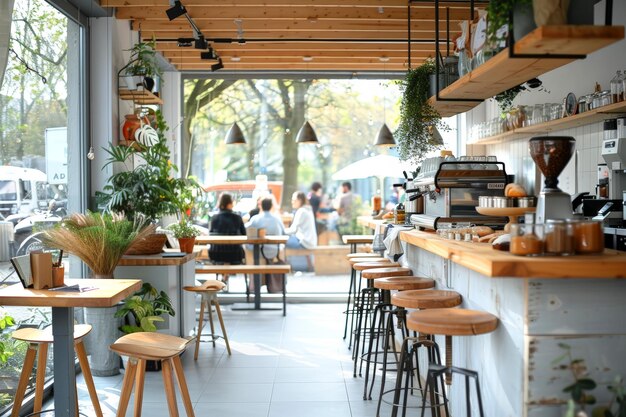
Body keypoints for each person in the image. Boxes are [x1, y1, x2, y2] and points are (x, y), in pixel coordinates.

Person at [208, 193, 246, 264]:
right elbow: (244, 234)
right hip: (235, 254)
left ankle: (225, 274)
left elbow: (210, 236)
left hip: (216, 254)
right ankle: (226, 273)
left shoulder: (214, 218)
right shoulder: (237, 218)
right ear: (230, 204)